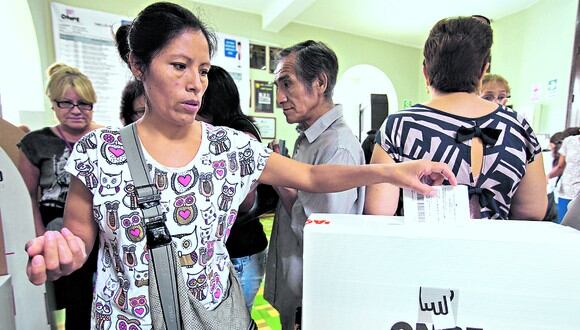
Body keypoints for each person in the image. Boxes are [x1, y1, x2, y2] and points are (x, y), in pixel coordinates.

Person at [25, 3, 456, 329]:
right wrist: (64, 253)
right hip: (127, 318)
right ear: (138, 66)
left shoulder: (229, 148)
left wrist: (387, 171)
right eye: (179, 66)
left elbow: (309, 176)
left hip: (214, 317)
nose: (196, 83)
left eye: (204, 70)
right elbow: (79, 238)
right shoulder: (98, 152)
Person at [365, 16, 547, 220]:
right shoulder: (518, 127)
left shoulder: (400, 125)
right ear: (483, 71)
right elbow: (532, 212)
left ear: (426, 73)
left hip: (418, 250)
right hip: (495, 250)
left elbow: (378, 211)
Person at [263, 40, 366, 330]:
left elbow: (320, 234)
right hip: (297, 289)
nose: (280, 98)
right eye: (277, 87)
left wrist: (278, 177)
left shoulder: (338, 148)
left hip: (313, 297)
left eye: (287, 84)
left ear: (319, 82)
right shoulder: (309, 138)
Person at [17, 63, 101, 329]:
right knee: (62, 295)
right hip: (55, 225)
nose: (76, 111)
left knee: (89, 296)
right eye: (67, 103)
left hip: (95, 225)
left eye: (84, 104)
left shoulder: (104, 139)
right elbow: (28, 196)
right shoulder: (36, 142)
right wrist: (40, 232)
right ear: (53, 104)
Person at [196, 65, 271, 311]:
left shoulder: (240, 135)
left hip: (241, 250)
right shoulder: (213, 132)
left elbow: (245, 201)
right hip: (229, 250)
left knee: (235, 318)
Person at [547, 127, 580, 221]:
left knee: (566, 225)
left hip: (570, 191)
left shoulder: (569, 142)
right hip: (565, 191)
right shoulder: (569, 141)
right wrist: (547, 177)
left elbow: (560, 167)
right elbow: (560, 166)